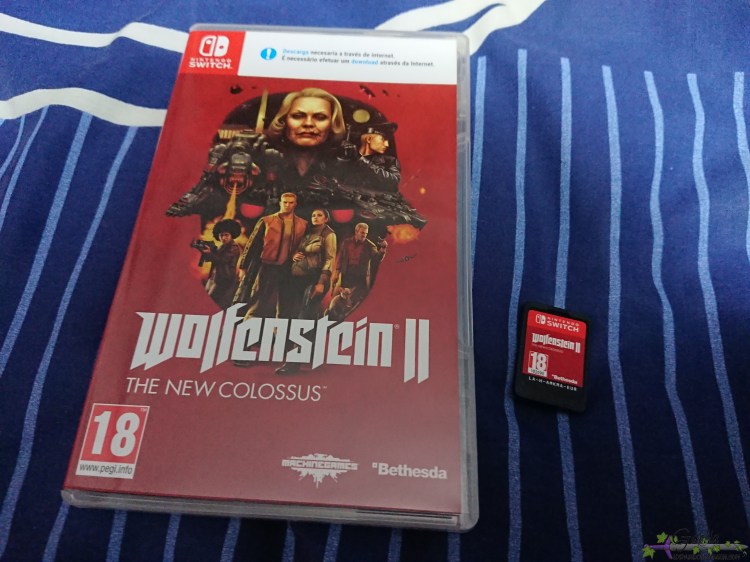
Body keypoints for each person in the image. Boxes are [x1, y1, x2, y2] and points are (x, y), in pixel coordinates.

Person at [276, 208, 337, 374]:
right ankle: (309, 354)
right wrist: (294, 255)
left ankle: (293, 363)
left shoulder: (329, 234)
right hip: (299, 281)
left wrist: (321, 282)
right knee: (306, 317)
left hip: (315, 280)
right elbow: (299, 249)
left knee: (303, 318)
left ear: (326, 218)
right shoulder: (308, 233)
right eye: (313, 215)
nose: (315, 217)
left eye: (319, 215)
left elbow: (330, 259)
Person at [235, 192, 308, 326]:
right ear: (280, 203)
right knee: (258, 302)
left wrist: (296, 255)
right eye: (285, 202)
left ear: (295, 204)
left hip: (289, 269)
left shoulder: (302, 224)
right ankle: (246, 329)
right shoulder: (267, 221)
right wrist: (243, 267)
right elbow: (252, 244)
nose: (287, 205)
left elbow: (306, 245)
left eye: (291, 203)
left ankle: (279, 334)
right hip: (268, 267)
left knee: (285, 307)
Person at [327, 222, 387, 320]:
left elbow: (377, 259)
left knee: (358, 300)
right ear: (356, 231)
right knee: (344, 299)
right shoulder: (346, 242)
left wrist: (383, 249)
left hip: (361, 277)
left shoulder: (370, 245)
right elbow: (341, 258)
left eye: (366, 233)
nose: (364, 235)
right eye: (362, 233)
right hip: (347, 275)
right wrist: (336, 273)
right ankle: (339, 318)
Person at [338, 123, 401, 192]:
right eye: (383, 139)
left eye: (388, 141)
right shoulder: (347, 156)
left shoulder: (390, 161)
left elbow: (395, 183)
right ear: (368, 139)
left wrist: (361, 160)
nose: (387, 144)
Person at [196, 219, 242, 309]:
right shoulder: (222, 246)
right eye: (221, 235)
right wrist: (205, 252)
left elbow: (221, 260)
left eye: (226, 235)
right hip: (214, 278)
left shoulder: (234, 247)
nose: (223, 238)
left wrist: (209, 252)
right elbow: (212, 259)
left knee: (211, 302)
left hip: (223, 279)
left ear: (232, 235)